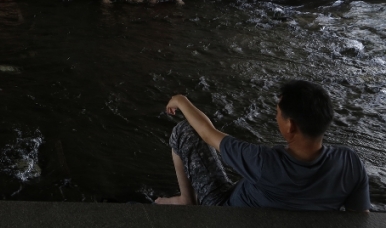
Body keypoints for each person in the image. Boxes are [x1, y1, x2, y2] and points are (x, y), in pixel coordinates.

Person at [155, 80, 370, 212]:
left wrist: (181, 100)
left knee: (185, 131)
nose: (275, 116)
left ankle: (186, 201)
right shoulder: (350, 163)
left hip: (223, 211)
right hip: (264, 204)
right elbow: (359, 216)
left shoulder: (264, 163)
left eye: (278, 113)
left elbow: (206, 133)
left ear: (290, 125)